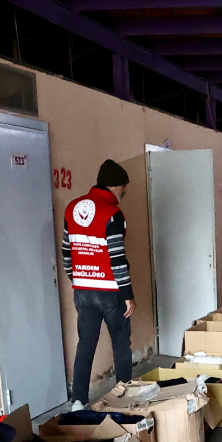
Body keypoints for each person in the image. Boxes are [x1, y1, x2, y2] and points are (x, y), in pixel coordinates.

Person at [62, 159, 136, 408]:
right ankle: (124, 394)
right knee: (121, 343)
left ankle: (78, 400)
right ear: (116, 186)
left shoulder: (72, 208)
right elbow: (116, 258)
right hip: (110, 292)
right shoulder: (112, 213)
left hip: (83, 290)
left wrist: (78, 279)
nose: (124, 193)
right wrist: (127, 294)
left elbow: (66, 251)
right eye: (123, 189)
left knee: (85, 345)